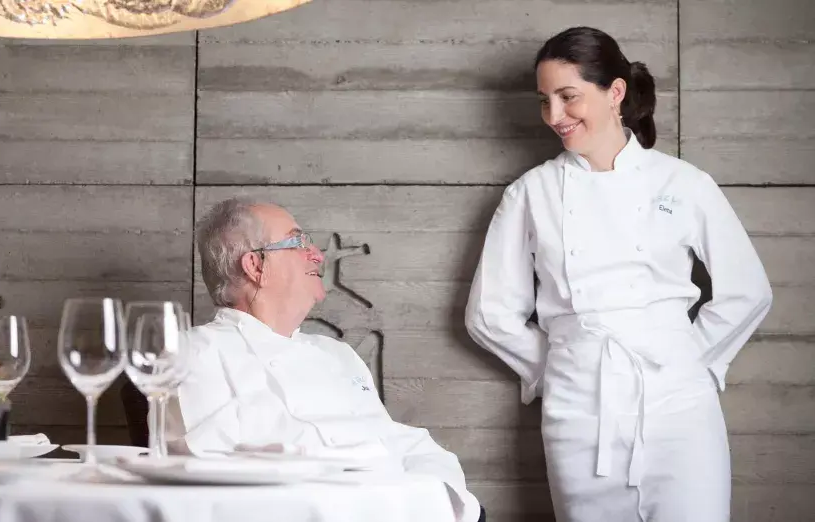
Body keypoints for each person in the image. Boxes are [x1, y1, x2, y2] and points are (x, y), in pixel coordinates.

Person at [464, 26, 772, 522]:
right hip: (579, 411)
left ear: (615, 93)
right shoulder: (531, 193)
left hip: (679, 407)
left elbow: (747, 292)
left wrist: (688, 358)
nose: (555, 116)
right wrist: (563, 363)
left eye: (568, 97)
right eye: (545, 101)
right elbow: (488, 313)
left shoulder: (683, 183)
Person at [164, 197, 484, 522]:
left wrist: (444, 496)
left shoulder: (336, 354)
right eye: (298, 241)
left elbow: (394, 439)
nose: (317, 254)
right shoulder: (191, 353)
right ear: (255, 266)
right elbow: (205, 471)